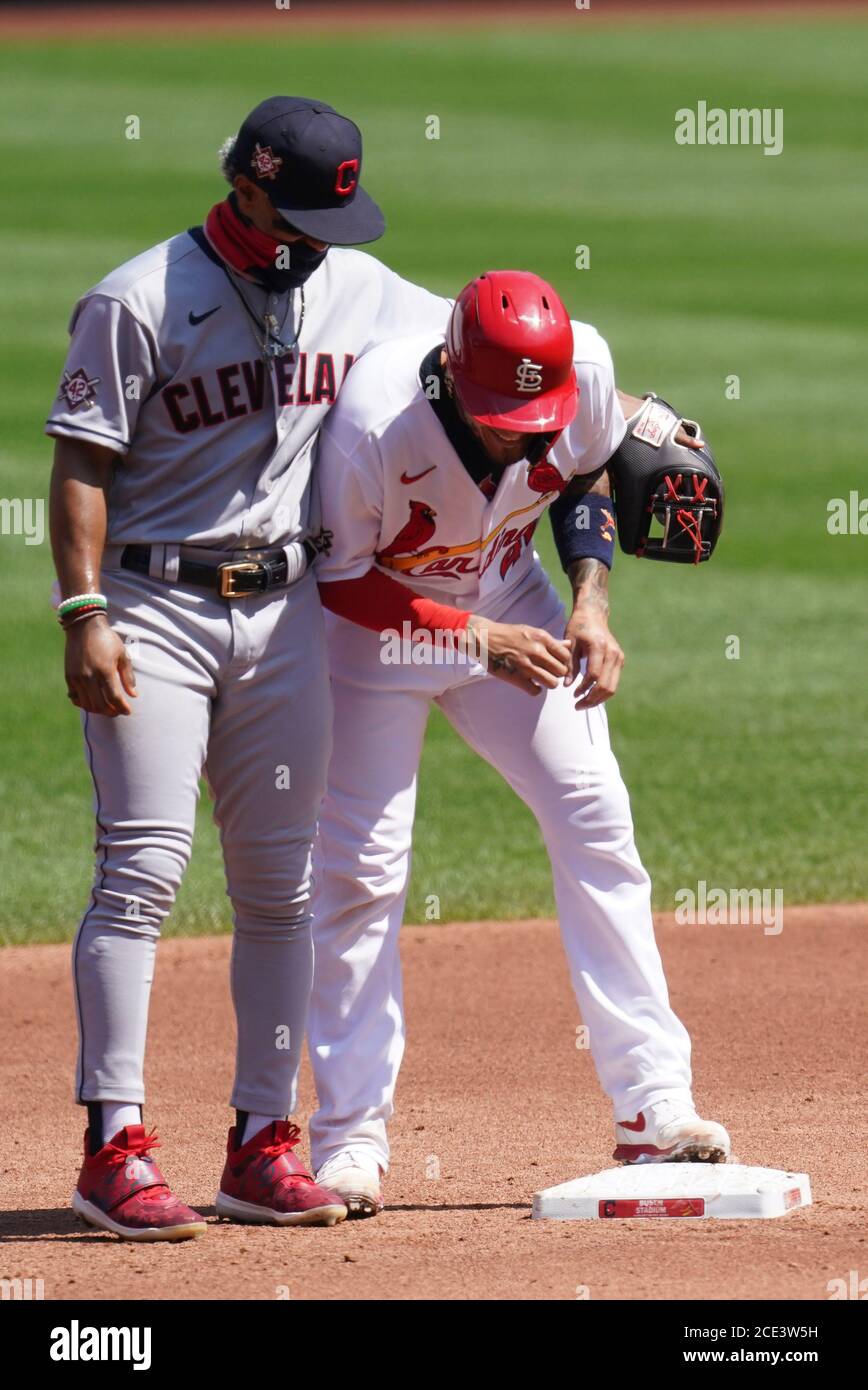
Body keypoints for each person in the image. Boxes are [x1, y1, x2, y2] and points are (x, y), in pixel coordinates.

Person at [46, 95, 450, 1240]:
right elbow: (80, 462)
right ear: (250, 190)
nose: (327, 243)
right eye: (310, 218)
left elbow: (477, 332)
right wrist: (81, 612)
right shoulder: (137, 299)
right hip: (153, 606)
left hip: (289, 619)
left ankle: (262, 1140)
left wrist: (619, 404)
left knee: (282, 894)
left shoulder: (356, 287)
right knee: (141, 873)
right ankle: (111, 1144)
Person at [307, 270, 730, 1217]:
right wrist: (473, 642)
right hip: (379, 641)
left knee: (596, 819)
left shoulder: (580, 375)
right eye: (507, 415)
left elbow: (583, 473)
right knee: (363, 872)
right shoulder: (375, 424)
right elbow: (340, 583)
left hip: (514, 608)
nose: (525, 429)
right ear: (452, 376)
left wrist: (590, 598)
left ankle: (654, 1105)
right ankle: (349, 1141)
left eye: (540, 410)